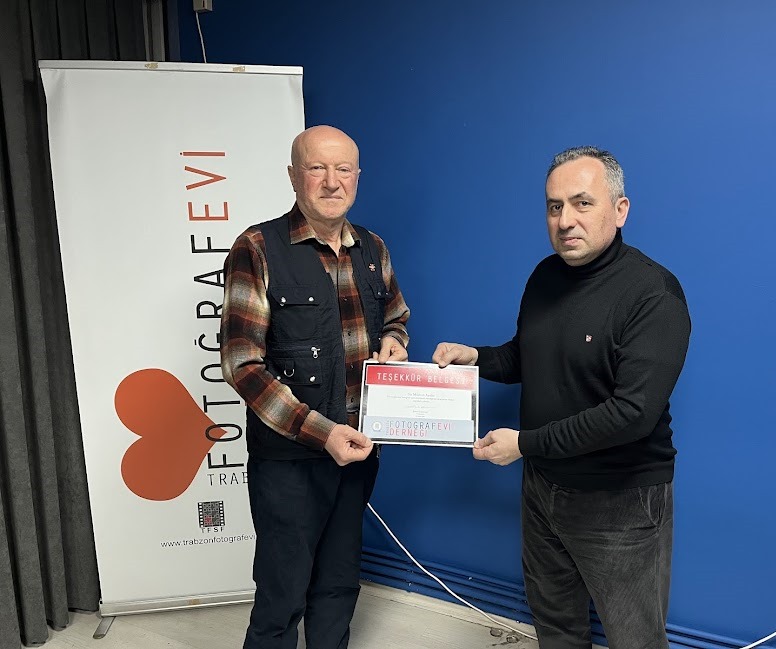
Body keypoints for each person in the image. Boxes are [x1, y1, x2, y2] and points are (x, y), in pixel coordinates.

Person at [433, 146, 690, 649]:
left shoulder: (653, 294)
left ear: (620, 209)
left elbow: (632, 414)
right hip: (543, 487)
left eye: (582, 203)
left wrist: (524, 444)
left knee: (635, 639)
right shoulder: (544, 276)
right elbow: (528, 357)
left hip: (620, 500)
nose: (565, 220)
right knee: (555, 628)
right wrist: (476, 358)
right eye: (554, 206)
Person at [221, 125, 410, 649]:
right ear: (292, 176)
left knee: (338, 585)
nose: (332, 182)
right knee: (281, 597)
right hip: (289, 462)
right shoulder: (257, 248)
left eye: (343, 169)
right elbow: (241, 364)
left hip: (358, 453)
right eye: (316, 168)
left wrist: (394, 341)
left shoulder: (373, 248)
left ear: (357, 177)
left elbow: (396, 317)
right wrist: (321, 432)